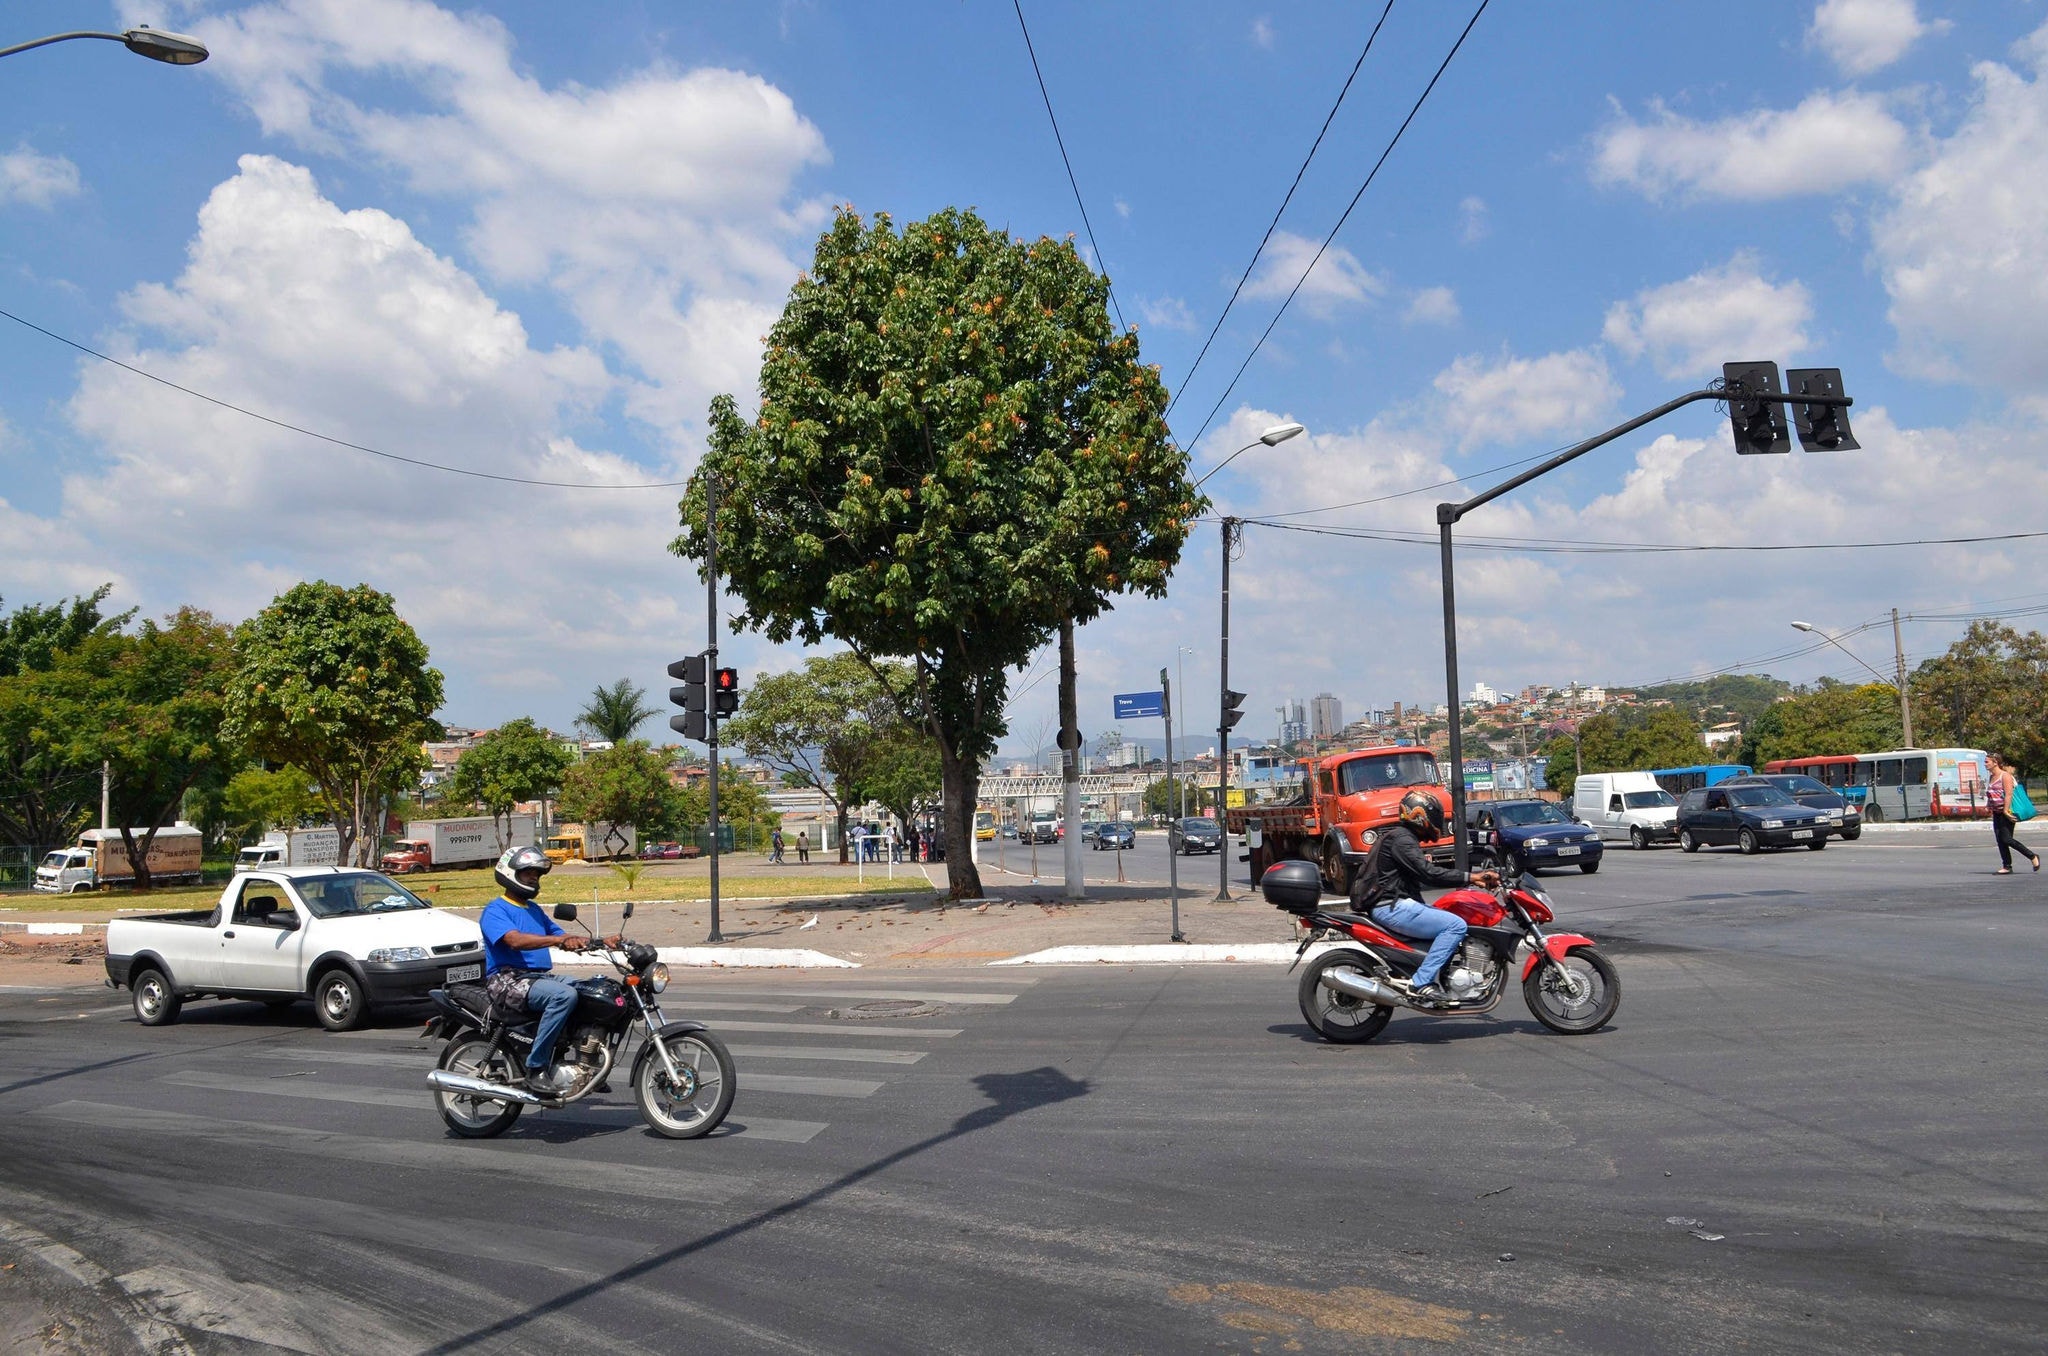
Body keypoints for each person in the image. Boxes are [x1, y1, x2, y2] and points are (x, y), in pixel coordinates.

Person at [478, 846, 619, 1092]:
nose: (534, 877)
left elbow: (562, 936)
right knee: (563, 995)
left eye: (536, 873)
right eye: (527, 873)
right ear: (510, 873)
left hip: (535, 978)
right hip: (506, 980)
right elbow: (515, 940)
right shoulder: (496, 910)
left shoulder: (533, 910)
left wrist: (600, 940)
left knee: (592, 990)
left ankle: (586, 1063)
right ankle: (536, 1067)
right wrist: (557, 941)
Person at [1347, 790, 1501, 1002]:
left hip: (1392, 904)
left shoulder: (1400, 837)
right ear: (1420, 816)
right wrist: (1472, 877)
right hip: (1391, 907)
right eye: (1434, 816)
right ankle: (1422, 983)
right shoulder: (1402, 840)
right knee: (1455, 926)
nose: (1437, 821)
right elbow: (1428, 873)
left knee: (1447, 916)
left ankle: (1437, 974)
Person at [1985, 753, 2040, 875]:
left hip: (2007, 812)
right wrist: (1988, 806)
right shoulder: (1991, 777)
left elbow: (2009, 794)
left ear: (1995, 763)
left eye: (1987, 762)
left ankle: (2032, 856)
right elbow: (1991, 793)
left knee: (2007, 839)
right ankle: (2007, 866)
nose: (1985, 764)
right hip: (1996, 812)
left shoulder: (2005, 776)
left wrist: (2005, 811)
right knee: (2000, 840)